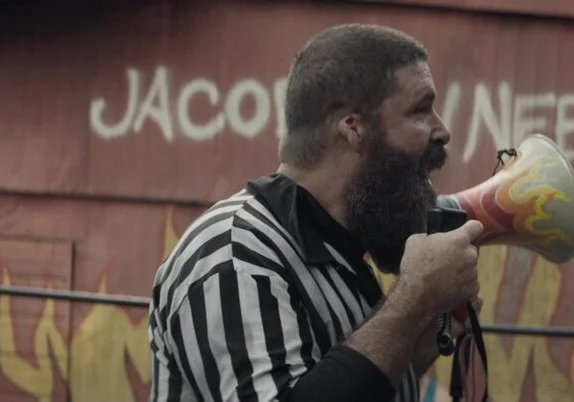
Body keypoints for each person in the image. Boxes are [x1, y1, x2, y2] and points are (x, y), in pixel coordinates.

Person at [147, 23, 484, 402]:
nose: (442, 131)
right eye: (420, 110)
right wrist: (414, 299)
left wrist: (414, 346)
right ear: (354, 129)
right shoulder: (234, 254)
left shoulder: (338, 257)